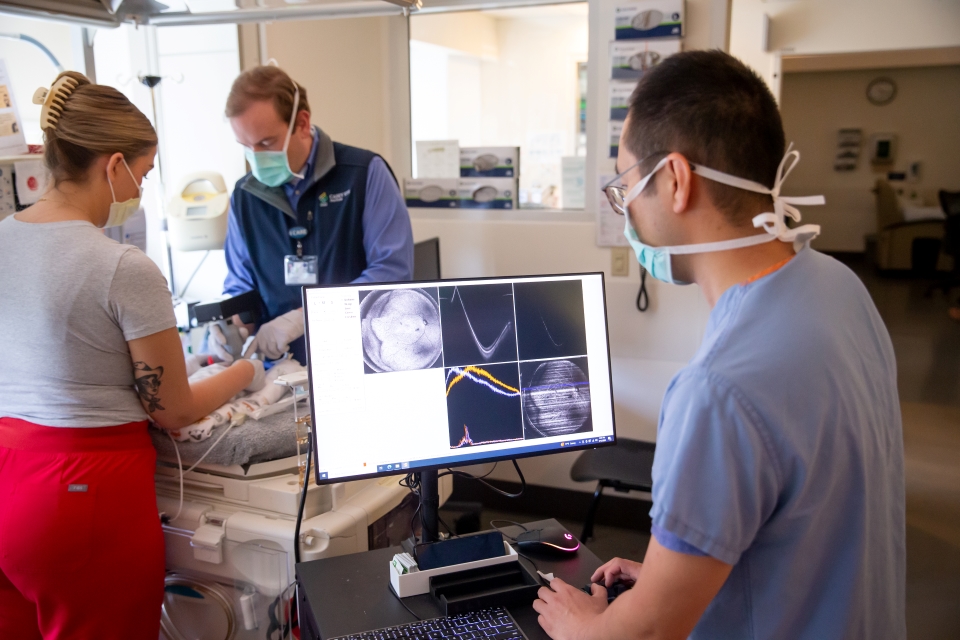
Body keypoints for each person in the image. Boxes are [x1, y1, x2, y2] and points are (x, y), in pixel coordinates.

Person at [533, 51, 904, 640]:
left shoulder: (719, 390)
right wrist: (668, 575)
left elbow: (648, 632)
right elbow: (802, 513)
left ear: (675, 181)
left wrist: (582, 626)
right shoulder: (838, 286)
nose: (625, 208)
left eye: (625, 184)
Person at [0, 72, 265, 639]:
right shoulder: (122, 267)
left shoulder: (4, 238)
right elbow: (173, 410)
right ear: (113, 164)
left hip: (10, 473)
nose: (140, 191)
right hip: (82, 493)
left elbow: (65, 354)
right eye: (143, 175)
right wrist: (246, 372)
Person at [209, 65, 414, 365]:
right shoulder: (245, 195)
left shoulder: (363, 174)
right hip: (278, 366)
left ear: (302, 123)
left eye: (266, 143)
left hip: (355, 357)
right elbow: (240, 282)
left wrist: (308, 316)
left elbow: (392, 273)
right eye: (246, 147)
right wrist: (232, 326)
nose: (256, 157)